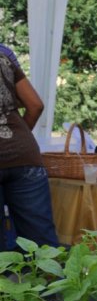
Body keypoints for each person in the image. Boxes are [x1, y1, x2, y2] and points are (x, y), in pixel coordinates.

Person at [0, 45, 60, 250]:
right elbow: (35, 105)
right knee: (42, 245)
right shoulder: (3, 55)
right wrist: (17, 140)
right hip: (24, 154)